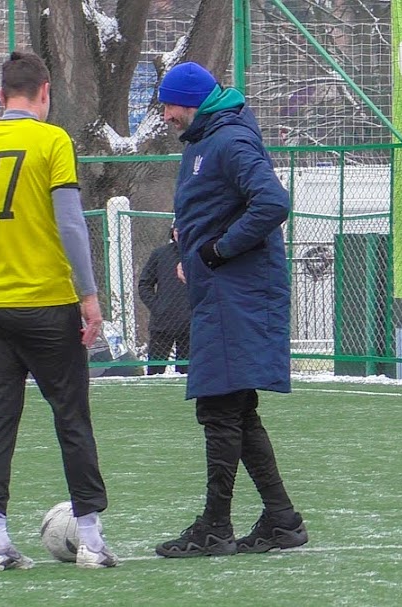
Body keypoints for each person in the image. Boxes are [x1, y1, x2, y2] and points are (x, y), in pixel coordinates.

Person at [0, 51, 116, 570]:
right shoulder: (52, 140)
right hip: (47, 303)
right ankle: (90, 539)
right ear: (45, 92)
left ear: (1, 96)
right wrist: (89, 294)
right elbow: (69, 224)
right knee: (72, 419)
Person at [153, 61, 307, 558]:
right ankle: (281, 521)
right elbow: (211, 208)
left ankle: (215, 526)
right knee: (236, 411)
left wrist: (217, 252)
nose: (166, 115)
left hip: (238, 295)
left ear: (190, 102)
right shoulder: (205, 139)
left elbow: (272, 203)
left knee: (220, 409)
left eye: (170, 105)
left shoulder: (230, 140)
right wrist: (192, 253)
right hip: (221, 293)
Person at [138, 223, 191, 374]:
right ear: (173, 232)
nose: (179, 234)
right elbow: (144, 284)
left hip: (189, 324)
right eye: (177, 230)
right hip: (162, 324)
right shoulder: (160, 254)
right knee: (155, 371)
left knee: (186, 373)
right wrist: (157, 307)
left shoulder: (197, 254)